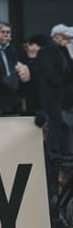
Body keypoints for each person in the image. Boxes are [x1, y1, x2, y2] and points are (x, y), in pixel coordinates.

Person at [37, 23, 73, 155]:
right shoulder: (45, 52)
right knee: (54, 123)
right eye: (66, 38)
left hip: (63, 96)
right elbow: (50, 74)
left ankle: (64, 150)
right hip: (51, 95)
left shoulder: (64, 51)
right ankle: (54, 152)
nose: (68, 40)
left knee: (64, 124)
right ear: (56, 37)